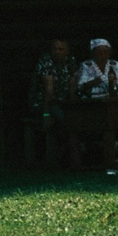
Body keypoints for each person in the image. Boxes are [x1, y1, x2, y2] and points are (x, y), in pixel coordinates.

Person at [74, 38, 118, 175]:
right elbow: (79, 87)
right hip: (93, 106)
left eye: (105, 52)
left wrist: (114, 84)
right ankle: (107, 159)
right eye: (99, 52)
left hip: (113, 104)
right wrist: (92, 83)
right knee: (103, 125)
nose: (103, 55)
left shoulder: (114, 65)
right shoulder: (87, 65)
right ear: (93, 53)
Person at [31, 38, 75, 167]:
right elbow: (48, 90)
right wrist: (46, 114)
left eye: (61, 49)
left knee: (74, 118)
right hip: (42, 103)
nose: (57, 52)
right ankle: (59, 156)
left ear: (67, 51)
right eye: (54, 49)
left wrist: (74, 107)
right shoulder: (46, 62)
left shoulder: (70, 61)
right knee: (61, 118)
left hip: (62, 103)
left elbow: (72, 85)